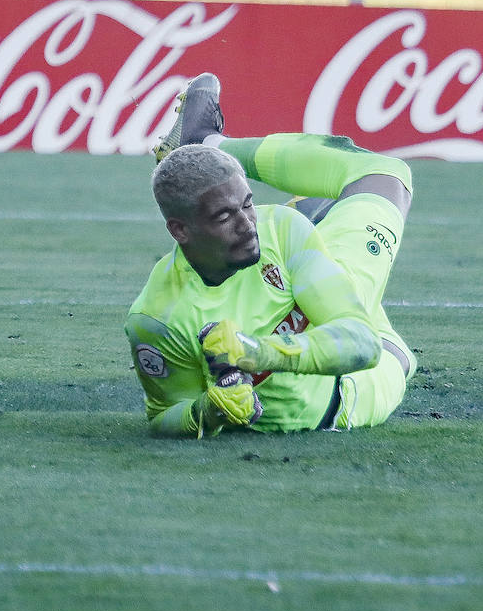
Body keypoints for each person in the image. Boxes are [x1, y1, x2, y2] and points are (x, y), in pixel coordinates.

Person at [125, 73, 418, 437]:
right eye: (223, 216)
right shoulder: (156, 317)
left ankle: (209, 145)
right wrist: (207, 412)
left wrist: (258, 352)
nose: (248, 225)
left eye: (248, 204)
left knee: (383, 175)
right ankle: (306, 203)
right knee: (398, 356)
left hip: (332, 285)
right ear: (180, 230)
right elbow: (164, 417)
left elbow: (359, 340)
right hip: (348, 396)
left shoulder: (276, 227)